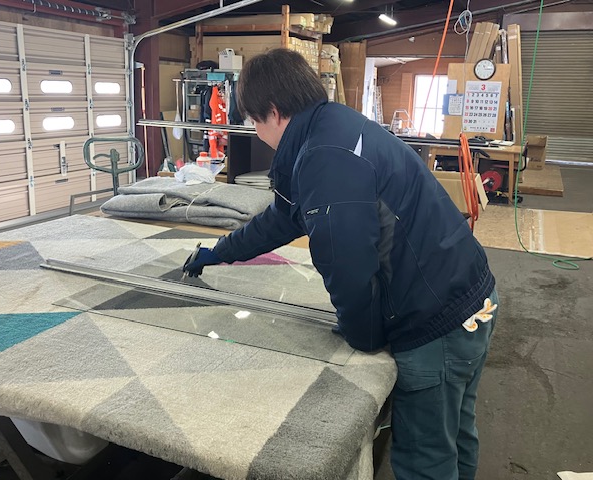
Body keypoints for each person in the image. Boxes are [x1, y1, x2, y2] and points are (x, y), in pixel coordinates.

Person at [183, 48, 498, 480]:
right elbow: (283, 218)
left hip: (438, 320)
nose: (255, 131)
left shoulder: (324, 156)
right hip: (470, 292)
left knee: (426, 455)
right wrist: (221, 251)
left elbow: (347, 264)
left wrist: (362, 337)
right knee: (455, 432)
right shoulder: (332, 126)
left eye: (254, 120)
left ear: (273, 111)